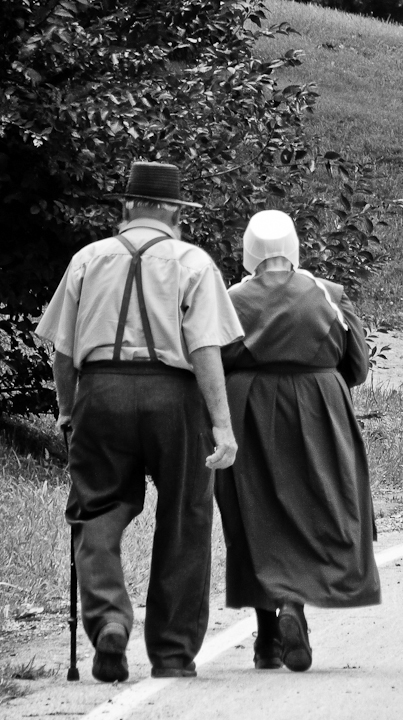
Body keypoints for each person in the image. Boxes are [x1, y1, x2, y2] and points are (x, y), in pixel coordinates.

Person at [35, 161, 244, 682]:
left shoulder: (87, 260)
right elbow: (205, 347)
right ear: (175, 212)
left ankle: (108, 619)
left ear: (126, 207)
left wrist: (67, 409)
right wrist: (221, 422)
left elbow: (62, 352)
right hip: (174, 399)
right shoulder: (193, 263)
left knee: (97, 507)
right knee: (184, 516)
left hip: (101, 392)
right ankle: (172, 653)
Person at [214, 209, 380, 673]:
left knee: (255, 516)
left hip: (249, 413)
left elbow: (216, 361)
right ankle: (292, 609)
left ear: (248, 251)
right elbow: (359, 368)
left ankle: (268, 636)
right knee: (316, 509)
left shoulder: (230, 300)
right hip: (318, 412)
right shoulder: (329, 296)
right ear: (294, 248)